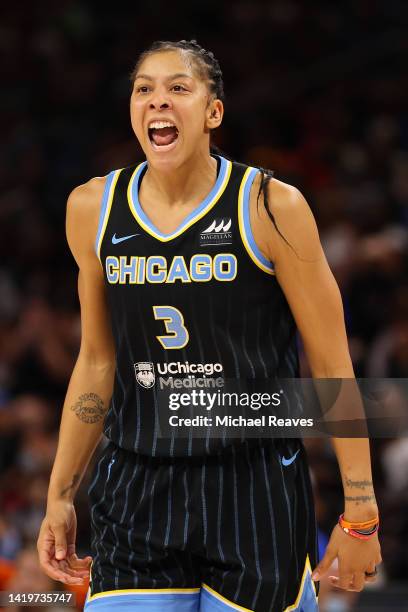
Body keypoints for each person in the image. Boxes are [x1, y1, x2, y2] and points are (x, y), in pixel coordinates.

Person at [37, 39, 382, 611]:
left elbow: (330, 365)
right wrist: (60, 492)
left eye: (177, 88)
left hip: (254, 483)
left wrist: (362, 512)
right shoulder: (92, 209)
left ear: (213, 112)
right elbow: (98, 361)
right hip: (137, 484)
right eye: (143, 89)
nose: (157, 102)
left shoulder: (270, 206)